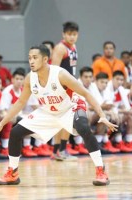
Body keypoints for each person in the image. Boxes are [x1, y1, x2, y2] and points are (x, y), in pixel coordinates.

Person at [0, 45, 117, 186]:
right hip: (49, 111)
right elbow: (20, 102)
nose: (31, 61)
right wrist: (1, 124)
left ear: (45, 59)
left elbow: (85, 93)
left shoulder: (60, 74)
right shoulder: (30, 78)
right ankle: (12, 173)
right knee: (16, 132)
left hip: (71, 107)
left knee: (83, 128)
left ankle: (101, 171)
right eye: (29, 58)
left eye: (35, 58)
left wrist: (101, 115)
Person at [51, 21, 79, 159]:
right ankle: (61, 151)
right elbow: (53, 70)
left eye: (74, 34)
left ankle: (56, 151)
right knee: (66, 120)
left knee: (63, 120)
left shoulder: (73, 47)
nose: (72, 37)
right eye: (69, 34)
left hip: (70, 87)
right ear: (64, 34)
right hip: (62, 88)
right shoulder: (60, 48)